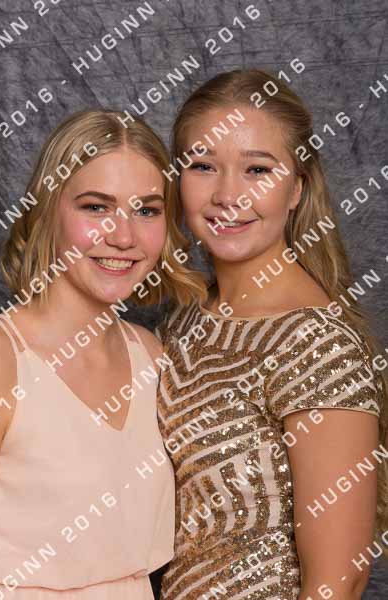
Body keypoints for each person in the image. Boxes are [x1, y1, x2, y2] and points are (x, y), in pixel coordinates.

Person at [0, 109, 208, 600]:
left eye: (147, 211)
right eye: (96, 207)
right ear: (48, 211)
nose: (123, 236)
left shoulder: (151, 356)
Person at [155, 69, 388, 599]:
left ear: (296, 188)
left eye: (257, 169)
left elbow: (340, 581)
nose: (227, 195)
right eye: (203, 166)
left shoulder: (318, 345)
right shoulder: (187, 315)